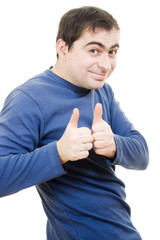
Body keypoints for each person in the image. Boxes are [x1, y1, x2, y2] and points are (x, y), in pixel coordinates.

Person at [0, 6, 149, 240]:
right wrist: (58, 152)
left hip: (122, 231)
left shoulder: (102, 91)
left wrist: (114, 145)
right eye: (94, 50)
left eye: (112, 52)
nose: (105, 64)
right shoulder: (28, 99)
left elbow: (142, 154)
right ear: (63, 48)